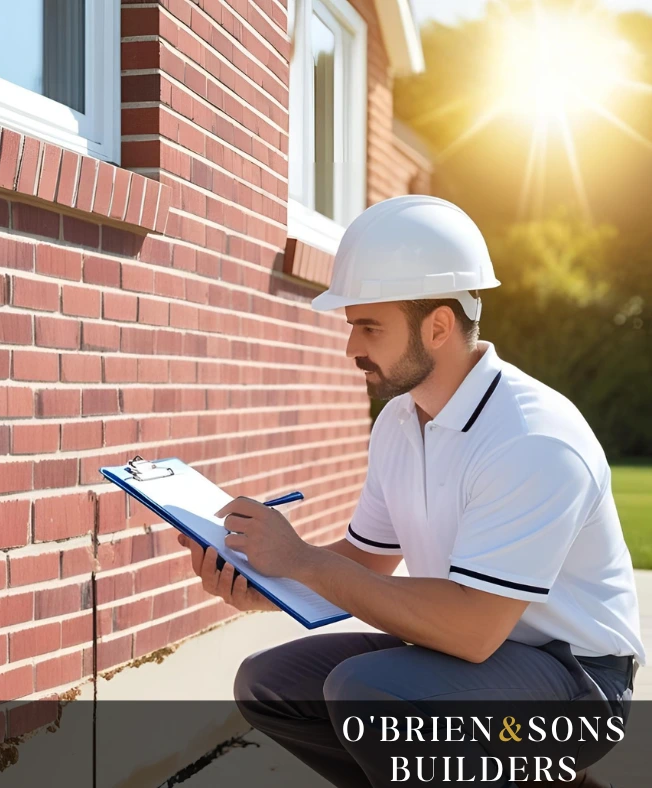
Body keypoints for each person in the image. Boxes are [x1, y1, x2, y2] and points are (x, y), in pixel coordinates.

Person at [176, 195, 644, 788]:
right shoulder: (399, 422)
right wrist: (262, 581)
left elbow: (472, 630)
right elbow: (365, 563)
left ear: (439, 327)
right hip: (464, 659)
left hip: (576, 683)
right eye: (353, 326)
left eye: (370, 327)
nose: (351, 347)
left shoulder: (531, 438)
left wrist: (303, 559)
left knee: (368, 693)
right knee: (270, 685)